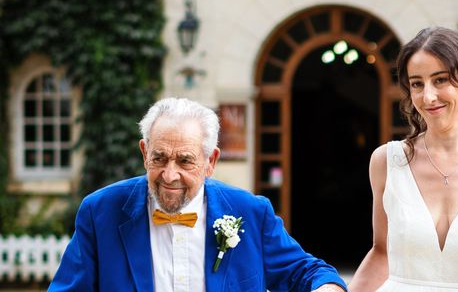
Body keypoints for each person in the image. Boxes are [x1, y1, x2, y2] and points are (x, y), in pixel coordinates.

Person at [49, 97, 348, 292]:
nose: (169, 175)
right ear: (144, 153)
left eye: (185, 161)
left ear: (211, 162)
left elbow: (306, 272)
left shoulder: (251, 213)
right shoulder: (100, 212)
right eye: (159, 158)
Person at [349, 26, 458, 292]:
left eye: (440, 80)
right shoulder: (387, 162)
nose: (428, 96)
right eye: (417, 84)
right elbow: (382, 252)